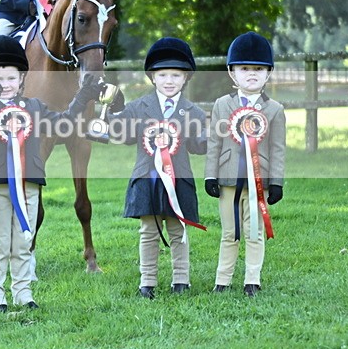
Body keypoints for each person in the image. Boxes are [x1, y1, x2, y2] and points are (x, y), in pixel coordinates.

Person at [0, 36, 102, 312]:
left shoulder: (35, 107)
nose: (5, 85)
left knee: (23, 241)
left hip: (29, 184)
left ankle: (23, 292)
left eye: (11, 78)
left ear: (22, 80)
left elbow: (63, 122)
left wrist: (82, 97)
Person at [108, 37, 208, 299]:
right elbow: (121, 134)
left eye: (176, 75)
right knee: (149, 232)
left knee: (179, 230)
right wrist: (114, 110)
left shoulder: (193, 111)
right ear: (152, 77)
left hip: (179, 180)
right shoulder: (138, 107)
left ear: (186, 78)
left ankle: (181, 280)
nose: (169, 80)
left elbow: (199, 144)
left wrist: (216, 139)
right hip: (147, 179)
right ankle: (147, 282)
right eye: (163, 74)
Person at [204, 31, 286, 297]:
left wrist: (276, 182)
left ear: (268, 73)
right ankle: (222, 281)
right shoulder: (221, 105)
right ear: (232, 72)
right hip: (228, 178)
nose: (252, 74)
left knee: (254, 232)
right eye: (245, 68)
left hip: (258, 181)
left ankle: (252, 279)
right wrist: (209, 176)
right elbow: (214, 143)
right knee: (230, 233)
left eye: (259, 69)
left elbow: (277, 149)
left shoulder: (274, 109)